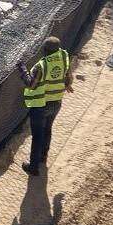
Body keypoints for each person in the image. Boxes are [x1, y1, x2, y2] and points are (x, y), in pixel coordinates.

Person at [18, 36, 73, 176]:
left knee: (37, 135)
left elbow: (31, 84)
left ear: (45, 50)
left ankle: (33, 167)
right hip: (56, 102)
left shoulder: (41, 66)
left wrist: (22, 68)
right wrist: (67, 85)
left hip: (41, 104)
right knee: (47, 129)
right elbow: (68, 77)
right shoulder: (63, 57)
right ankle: (43, 158)